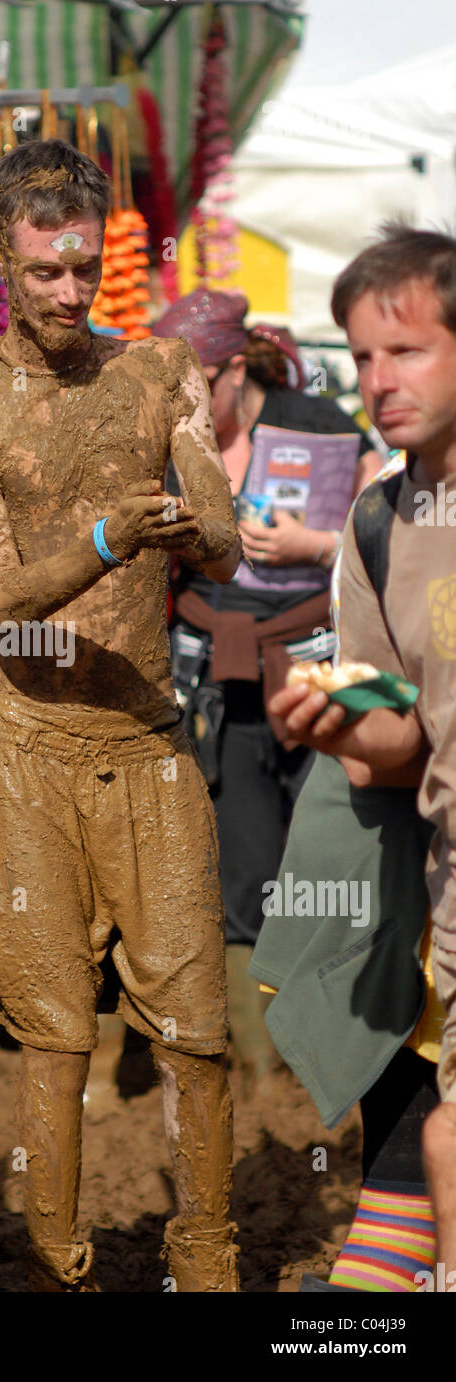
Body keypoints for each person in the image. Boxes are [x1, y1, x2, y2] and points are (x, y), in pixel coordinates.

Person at [0, 138, 243, 1292]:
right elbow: (2, 592)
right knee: (56, 1033)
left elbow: (225, 536)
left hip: (148, 743)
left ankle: (207, 1259)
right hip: (26, 747)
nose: (66, 292)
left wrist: (193, 509)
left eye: (83, 268)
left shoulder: (157, 374)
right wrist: (109, 536)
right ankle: (60, 1261)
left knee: (195, 1026)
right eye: (42, 268)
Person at [267, 223, 456, 1288]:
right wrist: (333, 722)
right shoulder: (378, 524)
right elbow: (393, 746)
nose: (378, 382)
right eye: (362, 359)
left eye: (409, 350)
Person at [154, 289, 382, 1087]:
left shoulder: (315, 422)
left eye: (191, 391)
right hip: (216, 675)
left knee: (322, 848)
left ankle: (331, 1034)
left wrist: (312, 542)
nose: (178, 409)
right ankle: (259, 1058)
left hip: (316, 655)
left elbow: (387, 522)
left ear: (229, 372)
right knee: (242, 855)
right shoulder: (168, 441)